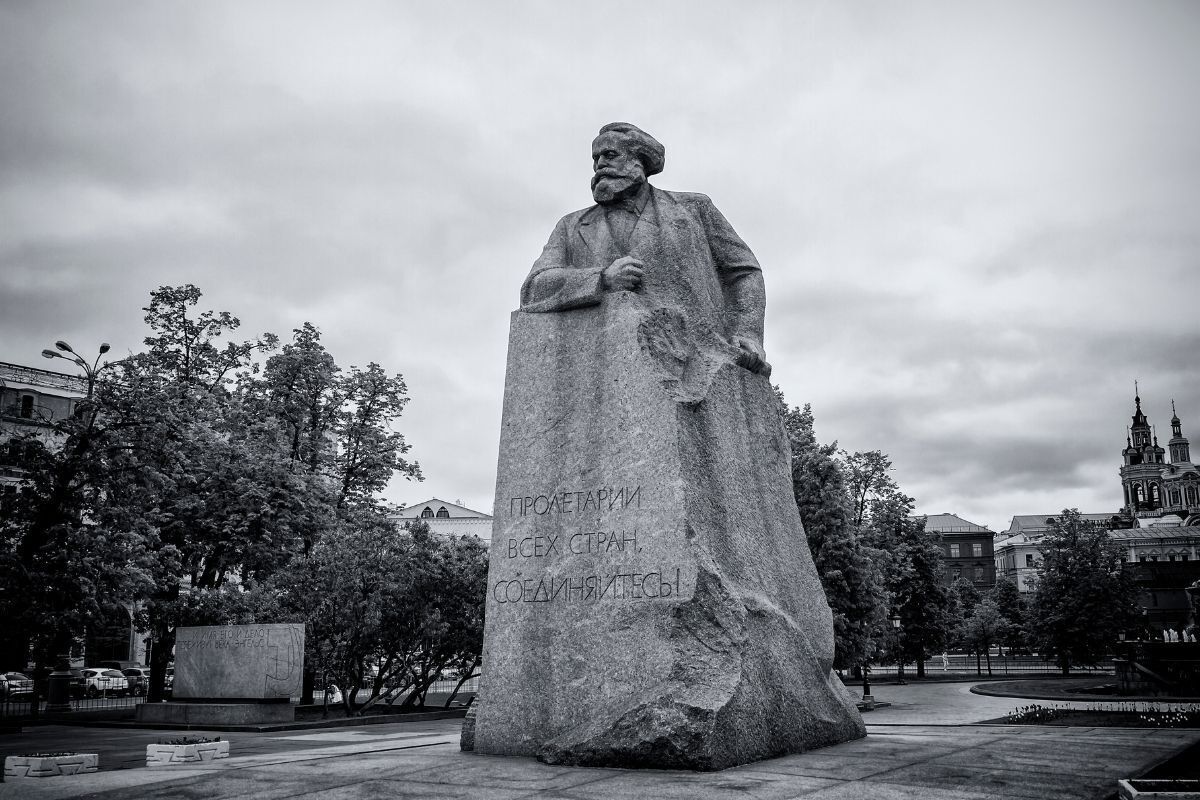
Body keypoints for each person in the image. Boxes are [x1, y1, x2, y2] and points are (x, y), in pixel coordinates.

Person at [520, 122, 770, 377]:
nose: (599, 165)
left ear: (639, 160)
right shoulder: (571, 226)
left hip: (700, 360)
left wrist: (747, 333)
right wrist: (602, 279)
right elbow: (533, 289)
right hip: (607, 367)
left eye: (610, 155)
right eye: (596, 158)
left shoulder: (693, 209)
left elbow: (744, 272)